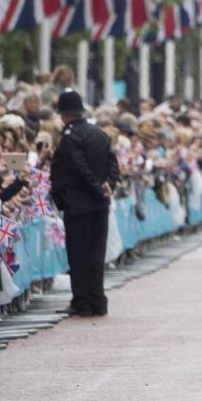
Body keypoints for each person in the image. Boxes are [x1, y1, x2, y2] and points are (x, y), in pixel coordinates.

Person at [50, 90, 120, 317]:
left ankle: (82, 301)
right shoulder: (98, 132)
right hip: (101, 204)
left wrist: (97, 188)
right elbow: (112, 163)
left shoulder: (70, 137)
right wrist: (108, 184)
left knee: (79, 255)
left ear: (63, 114)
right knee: (96, 254)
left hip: (79, 204)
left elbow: (78, 169)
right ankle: (97, 300)